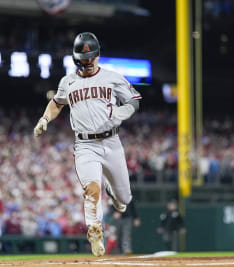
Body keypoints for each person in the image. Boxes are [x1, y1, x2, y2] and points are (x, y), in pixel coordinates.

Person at [33, 32, 142, 257]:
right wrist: (44, 119)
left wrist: (121, 111)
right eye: (86, 58)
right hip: (85, 146)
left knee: (124, 200)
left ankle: (114, 193)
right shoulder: (68, 82)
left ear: (98, 55)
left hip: (112, 141)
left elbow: (134, 99)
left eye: (93, 56)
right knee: (91, 189)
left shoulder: (112, 77)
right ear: (76, 59)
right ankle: (95, 229)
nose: (90, 61)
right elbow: (56, 103)